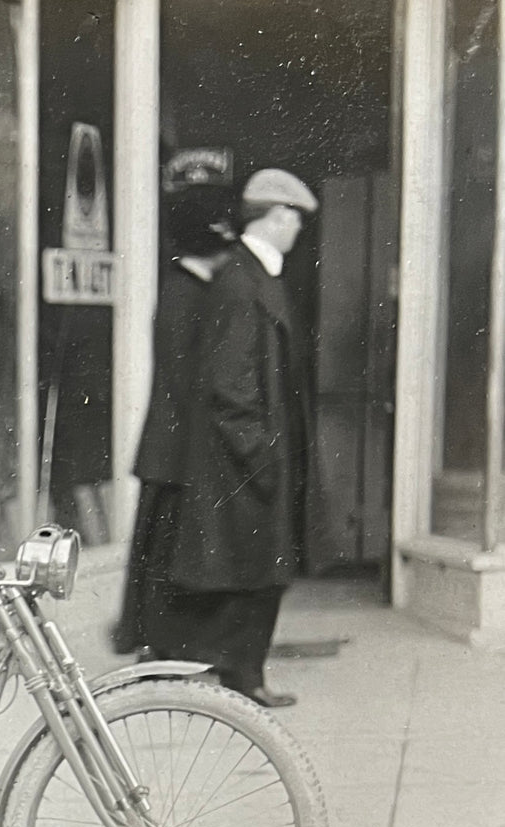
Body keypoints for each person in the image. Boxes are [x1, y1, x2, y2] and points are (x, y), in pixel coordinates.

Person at [134, 168, 318, 708]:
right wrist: (261, 452)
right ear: (277, 217)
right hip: (247, 457)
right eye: (294, 221)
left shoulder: (248, 276)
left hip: (253, 452)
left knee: (256, 567)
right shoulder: (244, 282)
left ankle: (243, 672)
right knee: (254, 568)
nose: (297, 231)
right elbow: (230, 382)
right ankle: (243, 675)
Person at [114, 174, 236, 660]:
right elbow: (191, 379)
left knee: (161, 550)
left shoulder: (182, 288)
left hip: (170, 445)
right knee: (170, 554)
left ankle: (161, 643)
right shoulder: (189, 294)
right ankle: (163, 647)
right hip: (179, 448)